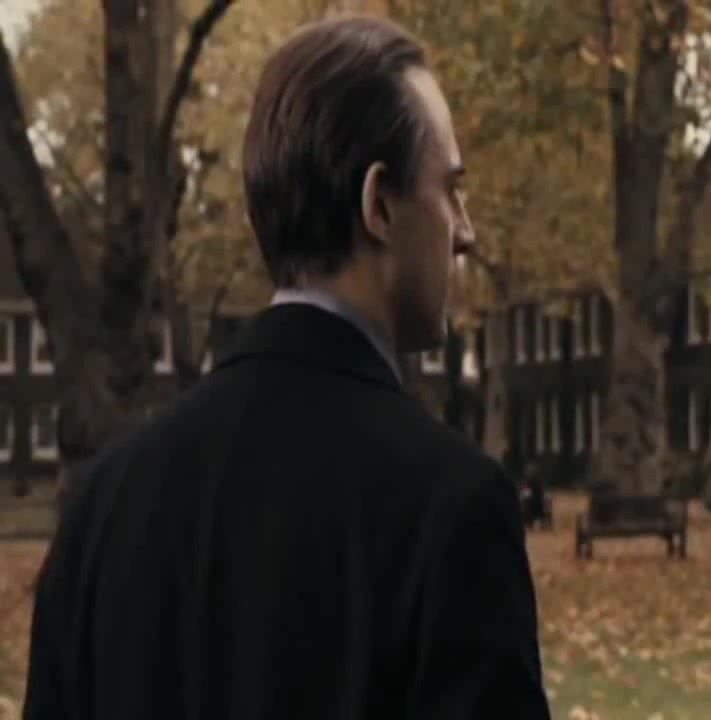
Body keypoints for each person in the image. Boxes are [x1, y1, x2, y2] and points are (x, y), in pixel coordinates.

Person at [23, 15, 551, 720]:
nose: (465, 231)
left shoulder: (103, 508)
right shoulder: (452, 508)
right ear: (379, 205)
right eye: (450, 190)